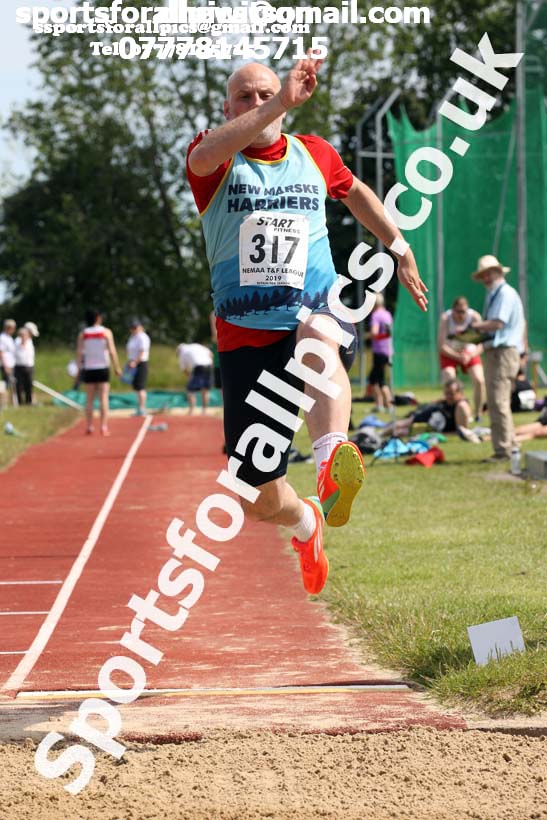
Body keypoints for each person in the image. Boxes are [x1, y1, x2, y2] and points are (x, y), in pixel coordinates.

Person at [186, 57, 426, 595]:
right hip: (247, 337)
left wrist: (399, 245)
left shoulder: (313, 153)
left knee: (320, 332)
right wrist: (279, 102)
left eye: (265, 94)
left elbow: (357, 192)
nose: (256, 104)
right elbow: (203, 157)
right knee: (254, 495)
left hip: (315, 309)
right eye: (244, 97)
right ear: (227, 109)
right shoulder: (214, 158)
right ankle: (305, 522)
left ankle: (329, 462)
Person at [470, 255, 524, 462]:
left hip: (503, 353)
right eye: (483, 274)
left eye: (488, 273)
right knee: (500, 402)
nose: (485, 278)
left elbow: (498, 323)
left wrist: (474, 328)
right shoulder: (499, 293)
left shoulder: (504, 294)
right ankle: (511, 446)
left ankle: (504, 451)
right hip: (500, 352)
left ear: (498, 272)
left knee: (498, 402)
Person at [437, 296, 485, 421]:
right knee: (450, 380)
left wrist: (469, 355)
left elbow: (481, 344)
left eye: (463, 312)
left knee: (479, 380)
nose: (461, 315)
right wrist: (457, 356)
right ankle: (453, 412)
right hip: (450, 352)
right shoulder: (446, 318)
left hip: (469, 352)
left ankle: (478, 413)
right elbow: (441, 346)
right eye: (458, 312)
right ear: (453, 310)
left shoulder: (474, 317)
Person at [76, 309, 121, 436]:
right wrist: (117, 367)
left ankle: (90, 426)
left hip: (89, 368)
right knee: (103, 398)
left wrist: (79, 370)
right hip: (102, 368)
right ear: (97, 318)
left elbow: (79, 353)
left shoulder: (83, 334)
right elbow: (112, 350)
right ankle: (103, 426)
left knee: (89, 399)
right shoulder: (106, 332)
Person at [387, 379, 473, 438]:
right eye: (446, 393)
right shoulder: (446, 402)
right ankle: (380, 434)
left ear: (460, 393)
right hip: (434, 414)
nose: (448, 396)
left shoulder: (461, 406)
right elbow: (440, 400)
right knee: (405, 423)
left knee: (403, 431)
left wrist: (436, 434)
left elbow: (462, 432)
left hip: (436, 425)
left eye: (451, 394)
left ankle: (380, 434)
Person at [367, 293, 393, 412]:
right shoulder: (387, 314)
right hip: (387, 350)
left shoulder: (376, 316)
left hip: (379, 351)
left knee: (377, 379)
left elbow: (374, 332)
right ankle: (382, 404)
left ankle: (386, 405)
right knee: (377, 379)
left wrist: (366, 336)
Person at [177, 342, 213, 414]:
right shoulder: (196, 345)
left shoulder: (182, 353)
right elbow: (211, 354)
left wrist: (190, 377)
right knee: (205, 390)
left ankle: (191, 411)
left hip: (199, 367)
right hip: (209, 365)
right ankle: (204, 411)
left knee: (190, 390)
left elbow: (184, 369)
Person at [126, 319, 151, 416]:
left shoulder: (143, 337)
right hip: (133, 363)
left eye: (135, 327)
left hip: (140, 363)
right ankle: (139, 408)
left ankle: (142, 409)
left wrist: (135, 362)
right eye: (132, 327)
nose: (133, 329)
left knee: (140, 386)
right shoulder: (133, 337)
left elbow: (142, 352)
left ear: (141, 327)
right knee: (136, 387)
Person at [14, 324, 38, 405]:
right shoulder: (17, 341)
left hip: (29, 366)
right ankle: (19, 402)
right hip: (19, 366)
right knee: (19, 385)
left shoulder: (29, 341)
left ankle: (29, 401)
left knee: (29, 385)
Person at [0, 319, 17, 405]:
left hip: (11, 364)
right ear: (8, 328)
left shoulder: (9, 338)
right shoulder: (2, 338)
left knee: (11, 384)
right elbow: (1, 352)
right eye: (13, 328)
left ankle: (11, 401)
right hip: (6, 365)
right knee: (6, 384)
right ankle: (4, 402)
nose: (14, 330)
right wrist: (6, 366)